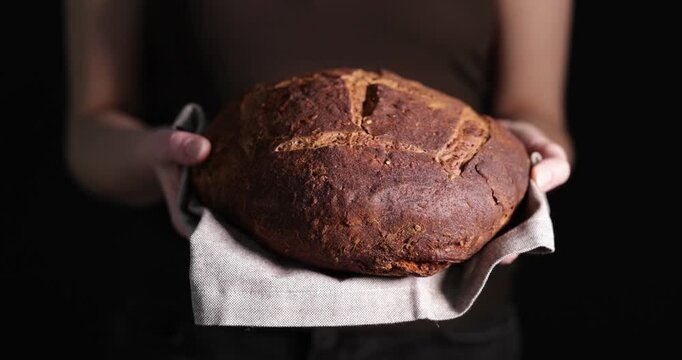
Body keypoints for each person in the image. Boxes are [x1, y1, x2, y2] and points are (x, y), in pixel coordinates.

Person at [67, 0, 572, 358]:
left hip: (446, 336)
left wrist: (534, 148)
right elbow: (91, 130)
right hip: (198, 329)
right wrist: (154, 153)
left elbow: (536, 112)